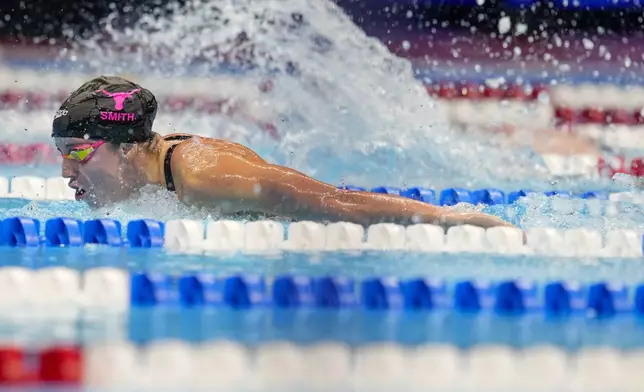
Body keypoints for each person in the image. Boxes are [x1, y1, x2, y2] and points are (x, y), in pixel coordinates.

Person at [52, 76, 517, 230]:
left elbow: (337, 202)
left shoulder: (203, 176)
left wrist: (447, 220)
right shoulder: (156, 167)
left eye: (77, 153)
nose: (65, 169)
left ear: (126, 148)